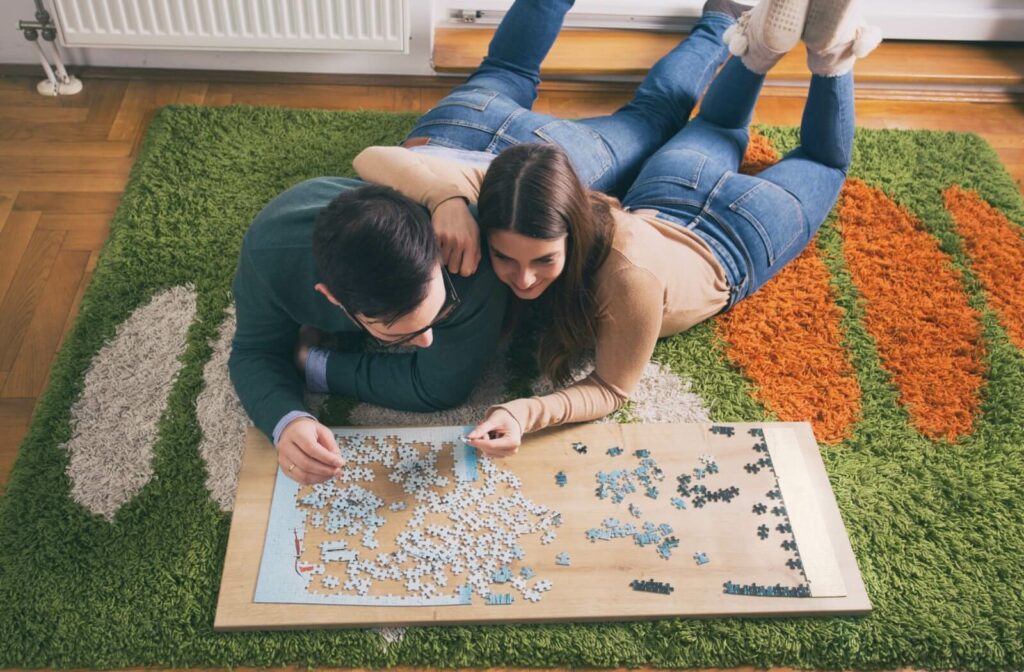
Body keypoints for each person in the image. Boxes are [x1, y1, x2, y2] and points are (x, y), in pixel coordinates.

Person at [350, 0, 882, 456]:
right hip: (663, 196)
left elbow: (610, 387)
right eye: (507, 258)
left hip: (738, 237)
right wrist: (445, 199)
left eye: (542, 261)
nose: (525, 281)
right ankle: (760, 44)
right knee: (704, 125)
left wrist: (525, 413)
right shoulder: (514, 190)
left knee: (806, 156)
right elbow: (373, 158)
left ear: (572, 228)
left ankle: (811, 54)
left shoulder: (628, 281)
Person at [365, 0, 743, 278]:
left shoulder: (405, 270)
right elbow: (373, 159)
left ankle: (722, 22)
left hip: (548, 161)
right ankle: (722, 19)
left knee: (653, 116)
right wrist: (440, 196)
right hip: (456, 126)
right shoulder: (368, 226)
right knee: (506, 67)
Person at [229, 182, 507, 485]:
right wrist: (287, 421)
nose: (428, 341)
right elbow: (253, 352)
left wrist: (314, 364)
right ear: (334, 299)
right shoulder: (268, 259)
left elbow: (437, 386)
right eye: (401, 335)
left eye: (441, 310)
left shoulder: (473, 262)